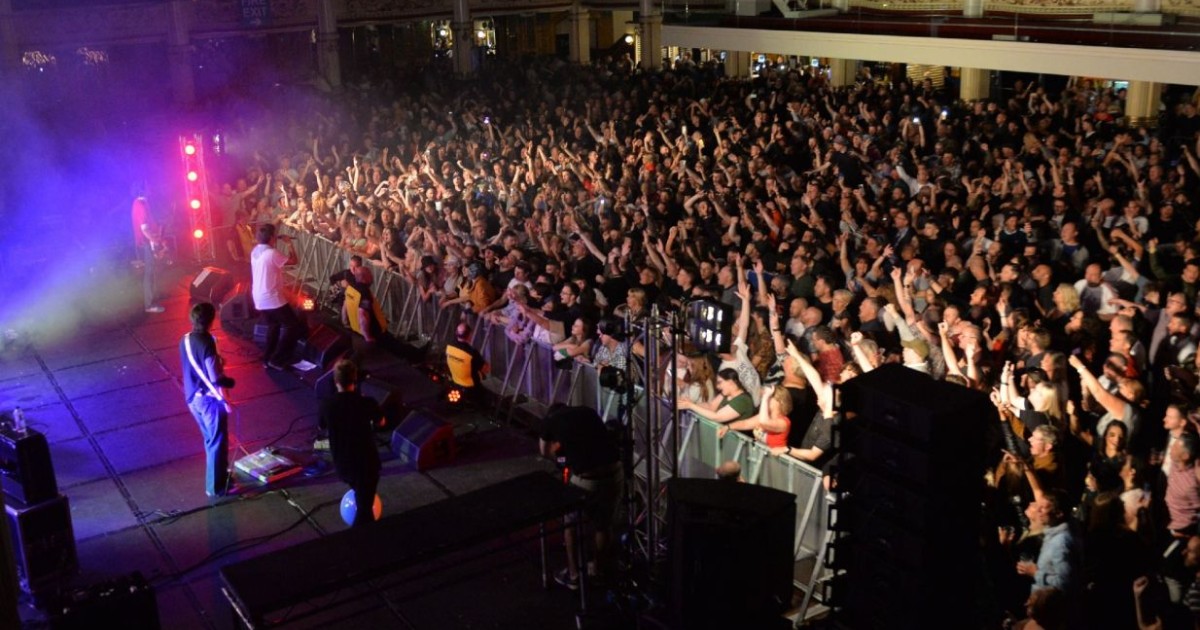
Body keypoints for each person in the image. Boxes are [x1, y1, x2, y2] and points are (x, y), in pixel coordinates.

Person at [540, 405, 624, 590]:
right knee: (604, 524)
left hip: (588, 479)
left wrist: (561, 459)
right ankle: (598, 570)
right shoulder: (587, 411)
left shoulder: (550, 422)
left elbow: (545, 452)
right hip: (616, 472)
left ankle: (573, 575)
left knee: (570, 524)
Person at [319, 359, 383, 527]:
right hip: (366, 462)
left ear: (335, 381)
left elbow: (321, 425)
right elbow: (381, 422)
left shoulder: (327, 405)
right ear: (355, 379)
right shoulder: (366, 403)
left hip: (343, 463)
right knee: (365, 509)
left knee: (362, 501)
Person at [180, 302, 234, 497]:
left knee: (210, 439)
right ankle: (215, 487)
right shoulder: (208, 342)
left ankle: (220, 476)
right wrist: (229, 386)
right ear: (212, 320)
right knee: (217, 441)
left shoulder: (185, 339)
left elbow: (195, 365)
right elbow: (215, 378)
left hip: (192, 398)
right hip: (209, 400)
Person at [251, 223, 302, 370]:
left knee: (274, 326)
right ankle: (278, 358)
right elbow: (294, 261)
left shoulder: (255, 251)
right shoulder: (272, 253)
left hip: (259, 297)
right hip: (272, 298)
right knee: (292, 325)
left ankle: (267, 358)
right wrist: (289, 243)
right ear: (273, 237)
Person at [132, 194, 165, 313]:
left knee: (151, 273)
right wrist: (155, 240)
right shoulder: (141, 205)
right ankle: (149, 305)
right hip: (146, 244)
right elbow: (144, 229)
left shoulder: (139, 204)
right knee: (149, 274)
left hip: (146, 243)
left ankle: (152, 300)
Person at [446, 322, 489, 403]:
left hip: (455, 381)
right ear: (470, 335)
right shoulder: (471, 353)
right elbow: (486, 369)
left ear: (456, 333)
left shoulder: (449, 346)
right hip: (471, 386)